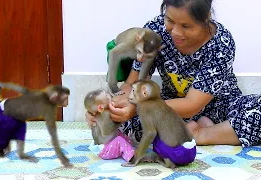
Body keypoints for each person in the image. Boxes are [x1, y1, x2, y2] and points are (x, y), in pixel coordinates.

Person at [86, 0, 261, 147]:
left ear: (206, 18)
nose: (176, 32)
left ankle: (201, 135)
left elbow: (193, 104)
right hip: (169, 109)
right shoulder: (154, 32)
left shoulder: (221, 43)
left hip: (220, 108)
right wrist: (106, 107)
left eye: (186, 26)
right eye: (170, 20)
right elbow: (132, 85)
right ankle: (197, 133)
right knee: (112, 124)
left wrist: (139, 107)